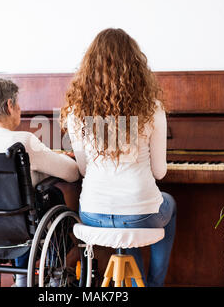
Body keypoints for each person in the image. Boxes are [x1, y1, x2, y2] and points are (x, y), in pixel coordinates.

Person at [61, 28, 176, 287]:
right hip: (138, 213)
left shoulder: (76, 111)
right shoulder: (152, 108)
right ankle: (152, 284)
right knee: (167, 204)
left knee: (127, 220)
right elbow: (159, 173)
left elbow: (83, 169)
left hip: (92, 214)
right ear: (136, 66)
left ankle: (138, 283)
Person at [0, 78, 80, 286]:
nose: (20, 108)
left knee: (23, 204)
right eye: (17, 103)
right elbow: (72, 173)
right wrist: (63, 159)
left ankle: (21, 277)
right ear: (9, 105)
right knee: (50, 198)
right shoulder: (24, 142)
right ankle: (58, 271)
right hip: (21, 224)